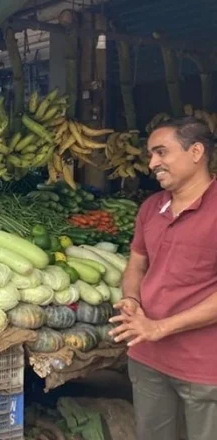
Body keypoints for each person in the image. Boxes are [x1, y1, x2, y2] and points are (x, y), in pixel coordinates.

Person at [108, 117, 217, 440]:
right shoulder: (151, 207)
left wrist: (159, 327)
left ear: (196, 151)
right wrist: (131, 299)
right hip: (148, 359)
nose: (153, 163)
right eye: (150, 155)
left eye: (161, 152)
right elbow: (136, 265)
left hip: (204, 365)